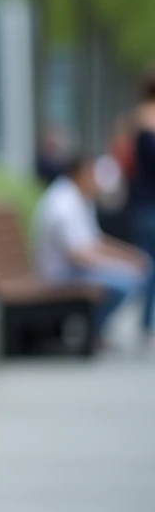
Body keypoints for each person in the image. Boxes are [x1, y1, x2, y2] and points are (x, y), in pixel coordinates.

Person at [32, 153, 155, 348]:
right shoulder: (63, 204)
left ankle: (95, 330)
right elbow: (78, 256)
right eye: (93, 175)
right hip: (60, 276)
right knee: (127, 281)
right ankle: (93, 330)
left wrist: (130, 255)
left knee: (135, 271)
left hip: (75, 269)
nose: (97, 182)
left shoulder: (78, 198)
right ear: (79, 174)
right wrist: (121, 265)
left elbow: (96, 242)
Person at [129, 69, 155, 345]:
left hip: (141, 202)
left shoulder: (135, 120)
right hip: (150, 204)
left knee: (149, 264)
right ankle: (147, 325)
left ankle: (147, 325)